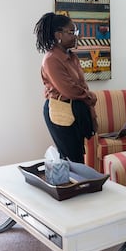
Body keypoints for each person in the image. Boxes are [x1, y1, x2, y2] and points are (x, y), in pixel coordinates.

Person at [35, 12, 97, 163]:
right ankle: (73, 186)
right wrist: (91, 97)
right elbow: (69, 89)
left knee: (77, 157)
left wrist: (90, 112)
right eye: (71, 32)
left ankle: (79, 185)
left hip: (76, 109)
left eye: (75, 31)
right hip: (61, 110)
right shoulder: (51, 60)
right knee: (71, 158)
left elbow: (80, 85)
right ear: (58, 35)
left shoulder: (71, 56)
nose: (76, 36)